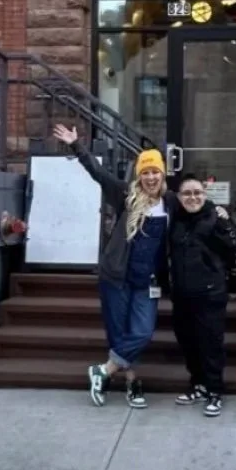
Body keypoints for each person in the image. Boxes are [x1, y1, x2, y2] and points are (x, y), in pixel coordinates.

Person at [51, 122, 169, 408]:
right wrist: (76, 146)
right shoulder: (126, 195)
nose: (151, 177)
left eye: (155, 172)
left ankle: (103, 371)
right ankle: (132, 384)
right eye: (145, 172)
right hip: (116, 276)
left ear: (163, 174)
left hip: (148, 282)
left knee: (141, 331)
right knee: (119, 332)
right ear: (139, 175)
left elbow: (195, 211)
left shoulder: (171, 203)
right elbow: (99, 174)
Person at [167, 173, 236, 418]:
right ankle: (197, 385)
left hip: (210, 294)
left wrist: (232, 286)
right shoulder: (175, 220)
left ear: (205, 194)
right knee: (188, 342)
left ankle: (215, 391)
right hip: (182, 293)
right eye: (187, 193)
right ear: (178, 197)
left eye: (197, 192)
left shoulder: (217, 219)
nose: (193, 197)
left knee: (210, 344)